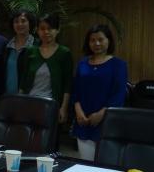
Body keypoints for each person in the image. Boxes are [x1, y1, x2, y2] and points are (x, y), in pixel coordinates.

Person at [72, 24, 128, 161]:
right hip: (83, 121)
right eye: (92, 40)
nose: (97, 43)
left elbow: (118, 94)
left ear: (109, 41)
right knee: (85, 163)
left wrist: (101, 114)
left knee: (105, 165)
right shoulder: (82, 64)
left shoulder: (118, 65)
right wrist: (78, 111)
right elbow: (76, 90)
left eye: (100, 39)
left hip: (107, 121)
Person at [19, 13, 73, 124]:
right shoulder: (30, 51)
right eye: (42, 29)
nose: (46, 32)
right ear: (37, 31)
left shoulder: (64, 53)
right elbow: (23, 81)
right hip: (29, 103)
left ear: (57, 30)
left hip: (51, 106)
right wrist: (19, 103)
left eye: (50, 28)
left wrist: (63, 108)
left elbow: (67, 85)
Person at [3, 10, 37, 95]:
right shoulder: (7, 46)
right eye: (16, 21)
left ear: (30, 23)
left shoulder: (37, 45)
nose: (19, 24)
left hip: (30, 96)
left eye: (23, 21)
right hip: (7, 97)